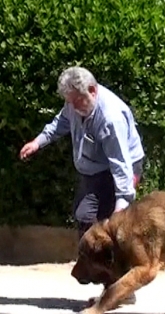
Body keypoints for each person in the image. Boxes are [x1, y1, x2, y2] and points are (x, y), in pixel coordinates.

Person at [19, 66, 145, 240]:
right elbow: (62, 121)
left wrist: (122, 201)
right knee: (85, 215)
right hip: (95, 168)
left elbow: (120, 162)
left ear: (92, 91)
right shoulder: (74, 102)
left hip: (120, 167)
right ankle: (95, 262)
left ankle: (102, 261)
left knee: (99, 217)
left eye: (77, 101)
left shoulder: (111, 119)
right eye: (69, 102)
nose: (73, 107)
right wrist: (38, 142)